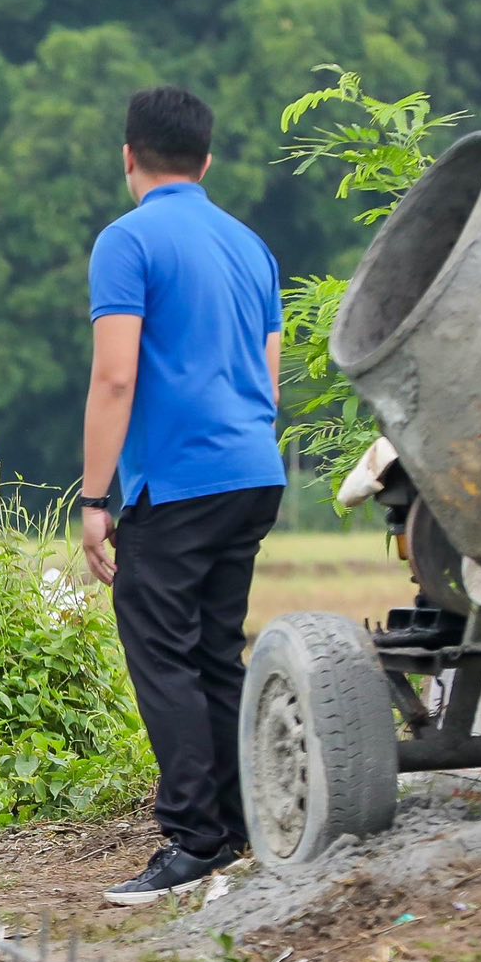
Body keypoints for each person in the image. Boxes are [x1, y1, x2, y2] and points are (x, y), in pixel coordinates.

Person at [79, 86, 286, 907]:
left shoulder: (127, 241)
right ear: (206, 161)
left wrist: (95, 497)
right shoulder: (251, 245)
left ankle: (195, 839)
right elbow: (269, 377)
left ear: (128, 156)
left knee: (162, 652)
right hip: (253, 470)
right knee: (214, 652)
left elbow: (115, 375)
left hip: (178, 481)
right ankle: (240, 822)